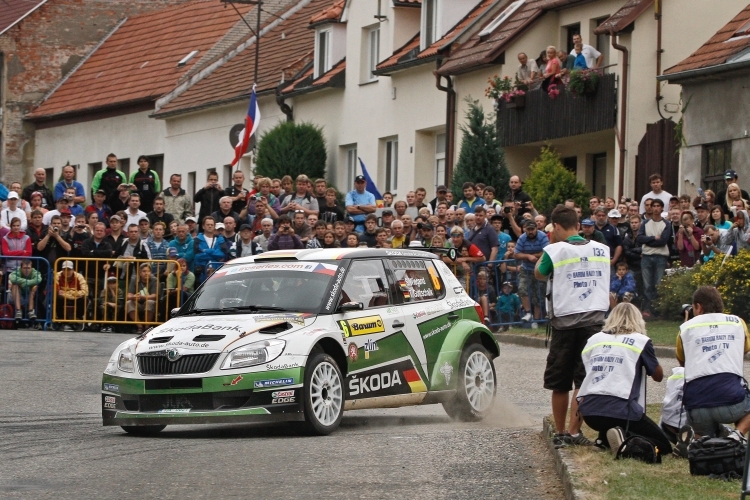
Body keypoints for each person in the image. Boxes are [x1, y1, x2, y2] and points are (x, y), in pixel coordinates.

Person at [535, 205, 610, 448]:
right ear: (578, 225)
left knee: (560, 382)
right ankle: (575, 431)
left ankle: (560, 433)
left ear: (555, 227)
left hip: (565, 323)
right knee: (583, 380)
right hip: (595, 322)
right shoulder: (601, 248)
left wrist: (550, 245)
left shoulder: (555, 250)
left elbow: (539, 273)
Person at [577, 303, 672, 455]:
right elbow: (658, 376)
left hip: (590, 412)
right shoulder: (640, 341)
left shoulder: (594, 340)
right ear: (638, 320)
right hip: (621, 411)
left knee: (609, 415)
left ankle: (604, 440)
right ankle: (625, 439)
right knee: (663, 446)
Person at [676, 286, 750, 440]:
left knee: (704, 441)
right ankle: (738, 434)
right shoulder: (738, 323)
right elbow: (743, 350)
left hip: (696, 406)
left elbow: (683, 363)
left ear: (698, 306)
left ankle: (702, 441)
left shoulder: (684, 329)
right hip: (732, 404)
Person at [636, 199, 670, 319]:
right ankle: (647, 310)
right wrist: (653, 238)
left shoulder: (667, 224)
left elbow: (663, 241)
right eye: (653, 206)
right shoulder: (645, 223)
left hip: (660, 257)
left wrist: (649, 240)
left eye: (657, 206)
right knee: (647, 286)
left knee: (658, 285)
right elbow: (639, 238)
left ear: (662, 208)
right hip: (646, 257)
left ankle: (657, 311)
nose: (655, 208)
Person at [515, 219, 549, 326]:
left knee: (538, 295)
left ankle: (536, 320)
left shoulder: (542, 236)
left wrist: (534, 255)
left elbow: (547, 251)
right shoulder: (522, 238)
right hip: (526, 268)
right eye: (528, 229)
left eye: (532, 229)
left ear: (536, 229)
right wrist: (528, 256)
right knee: (522, 288)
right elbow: (516, 254)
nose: (530, 232)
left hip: (540, 268)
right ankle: (528, 312)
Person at [55, 260, 88, 330]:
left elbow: (85, 291)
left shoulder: (79, 276)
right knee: (57, 297)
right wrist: (74, 293)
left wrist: (68, 293)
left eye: (69, 270)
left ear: (73, 270)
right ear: (62, 270)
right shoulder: (57, 275)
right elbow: (56, 290)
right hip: (64, 298)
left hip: (75, 298)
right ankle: (61, 320)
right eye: (65, 269)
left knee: (84, 299)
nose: (67, 272)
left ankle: (77, 319)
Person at [126, 263, 158, 333]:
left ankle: (147, 327)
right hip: (138, 304)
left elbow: (154, 296)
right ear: (139, 273)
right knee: (129, 303)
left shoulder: (154, 280)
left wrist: (142, 297)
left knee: (149, 302)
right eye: (144, 271)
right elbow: (128, 295)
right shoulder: (134, 279)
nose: (146, 273)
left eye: (148, 271)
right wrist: (133, 297)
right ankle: (139, 327)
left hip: (150, 304)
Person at [194, 216, 226, 281]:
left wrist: (207, 251)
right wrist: (214, 253)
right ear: (203, 226)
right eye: (208, 225)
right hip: (202, 273)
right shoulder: (197, 239)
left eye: (212, 225)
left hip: (217, 273)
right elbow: (198, 256)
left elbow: (222, 255)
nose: (210, 226)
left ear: (214, 227)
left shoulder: (220, 239)